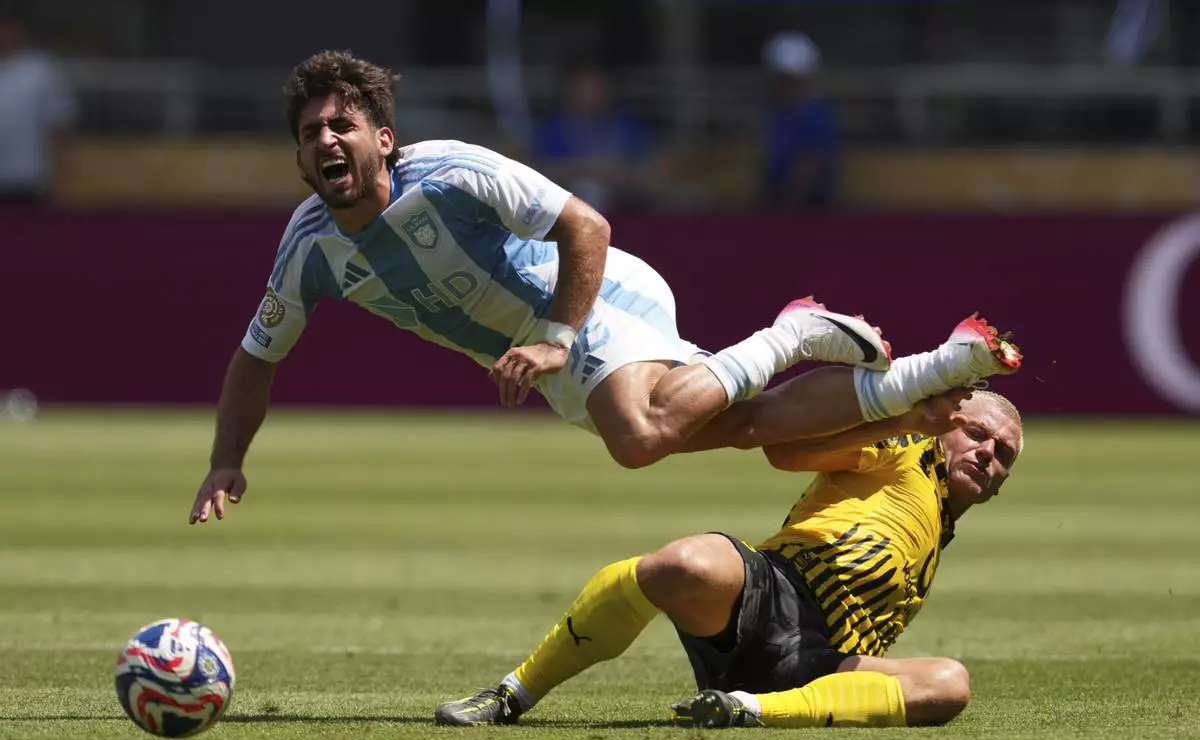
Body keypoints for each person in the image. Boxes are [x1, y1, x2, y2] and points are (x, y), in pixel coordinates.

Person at [188, 50, 1021, 525]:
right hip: (555, 358)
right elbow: (256, 358)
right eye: (310, 134)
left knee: (639, 435)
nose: (326, 141)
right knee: (760, 432)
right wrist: (228, 461)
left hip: (591, 303)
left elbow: (586, 227)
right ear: (299, 159)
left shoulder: (449, 174)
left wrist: (554, 334)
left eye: (342, 125)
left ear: (382, 137)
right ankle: (925, 388)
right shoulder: (308, 251)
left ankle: (790, 335)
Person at [436, 389, 1023, 728]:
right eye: (978, 435)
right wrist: (903, 418)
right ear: (946, 429)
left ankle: (743, 709)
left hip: (819, 666)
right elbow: (785, 451)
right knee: (685, 564)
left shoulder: (938, 529)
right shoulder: (903, 453)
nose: (988, 455)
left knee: (950, 684)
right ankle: (512, 694)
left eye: (1003, 456)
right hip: (772, 590)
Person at [531, 62, 652, 212]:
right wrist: (581, 169)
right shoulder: (552, 128)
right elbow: (539, 173)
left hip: (624, 206)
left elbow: (647, 171)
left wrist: (614, 173)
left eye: (596, 87)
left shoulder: (627, 124)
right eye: (582, 87)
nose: (589, 94)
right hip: (566, 208)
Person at [0, 9, 75, 204]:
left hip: (28, 177)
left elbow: (59, 123)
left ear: (19, 32)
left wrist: (59, 176)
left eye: (7, 30)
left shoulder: (41, 71)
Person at [760, 31, 839, 209]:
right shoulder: (777, 113)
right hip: (782, 202)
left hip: (807, 209)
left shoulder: (814, 115)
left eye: (789, 80)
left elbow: (809, 165)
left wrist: (785, 206)